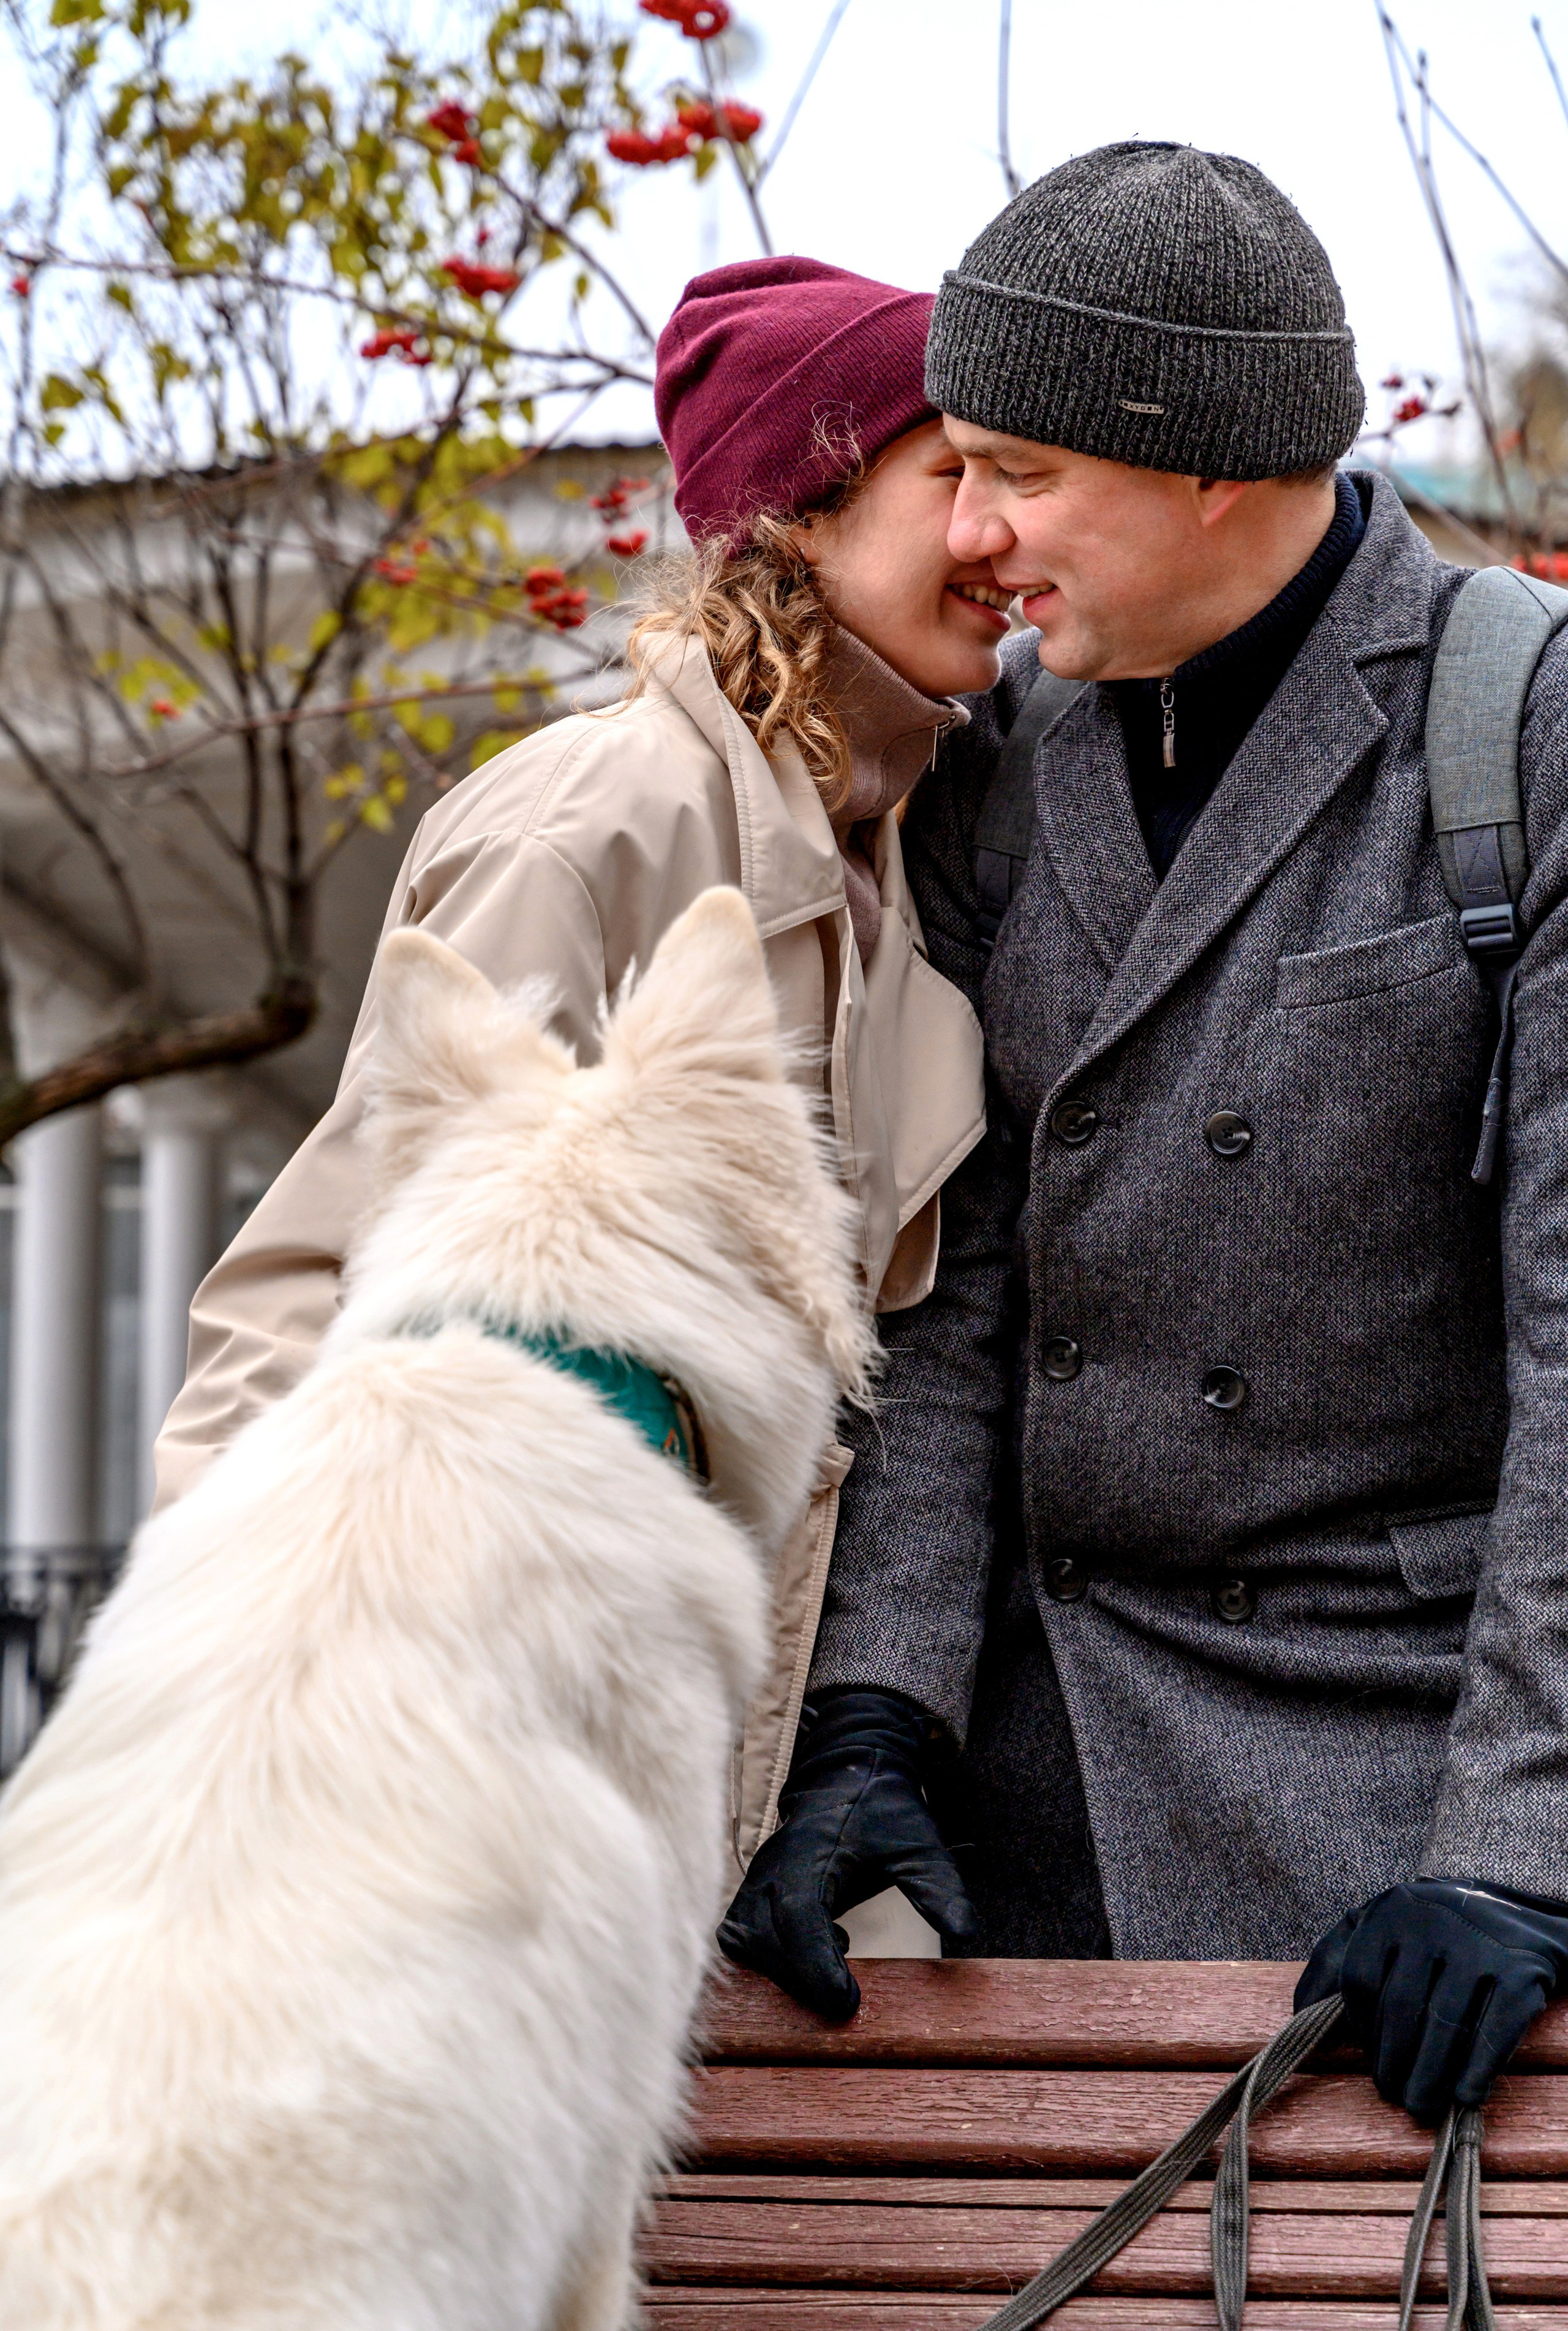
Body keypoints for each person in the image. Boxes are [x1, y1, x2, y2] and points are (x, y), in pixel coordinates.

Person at [718, 142, 1568, 2127]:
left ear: (1212, 470)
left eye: (1020, 472)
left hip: (1401, 1827)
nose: (974, 536)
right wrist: (878, 1712)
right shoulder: (1006, 760)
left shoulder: (1521, 732)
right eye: (960, 469)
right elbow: (957, 1283)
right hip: (1039, 1829)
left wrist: (1520, 1848)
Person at [151, 254, 1012, 1875]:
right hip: (475, 1778)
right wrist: (236, 1733)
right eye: (950, 474)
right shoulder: (593, 826)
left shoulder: (900, 850)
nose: (999, 532)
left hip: (709, 1785)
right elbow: (323, 1281)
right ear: (803, 516)